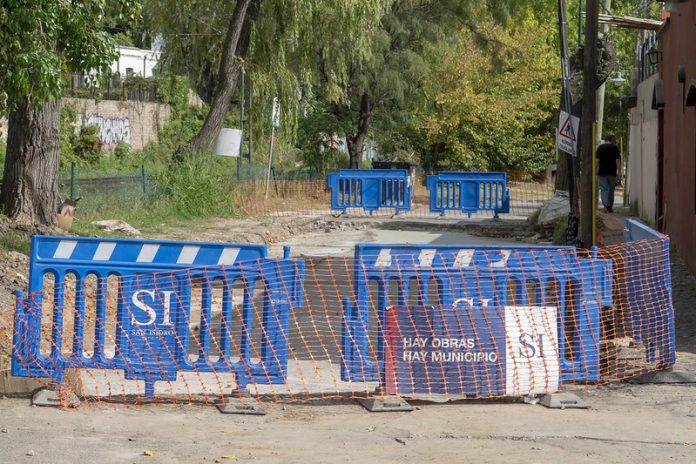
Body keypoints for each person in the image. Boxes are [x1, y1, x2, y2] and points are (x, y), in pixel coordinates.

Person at [596, 135, 622, 213]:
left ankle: (606, 204)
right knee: (611, 189)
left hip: (602, 173)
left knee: (603, 189)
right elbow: (617, 160)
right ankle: (609, 205)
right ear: (612, 140)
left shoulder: (600, 148)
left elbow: (597, 160)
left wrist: (594, 170)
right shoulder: (615, 148)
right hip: (612, 173)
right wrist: (619, 172)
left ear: (605, 140)